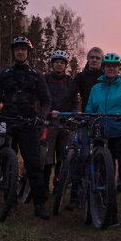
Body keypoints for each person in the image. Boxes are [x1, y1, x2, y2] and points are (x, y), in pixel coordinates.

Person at [0, 36, 52, 218]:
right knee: (1, 162)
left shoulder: (36, 74)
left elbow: (47, 99)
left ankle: (39, 205)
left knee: (33, 164)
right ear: (13, 51)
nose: (20, 51)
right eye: (17, 48)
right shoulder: (4, 73)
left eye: (24, 49)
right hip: (7, 120)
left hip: (28, 122)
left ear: (28, 52)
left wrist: (41, 117)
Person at [84, 52, 121, 226]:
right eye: (108, 66)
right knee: (105, 176)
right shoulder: (96, 88)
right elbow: (89, 109)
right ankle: (110, 214)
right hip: (101, 137)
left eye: (114, 67)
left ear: (119, 69)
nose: (111, 69)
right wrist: (89, 127)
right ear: (103, 68)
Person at [43, 50, 77, 197]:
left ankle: (59, 187)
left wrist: (74, 115)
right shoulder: (45, 79)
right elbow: (41, 98)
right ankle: (44, 188)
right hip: (49, 123)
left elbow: (75, 100)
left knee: (63, 158)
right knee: (47, 159)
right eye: (57, 62)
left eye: (62, 63)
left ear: (65, 65)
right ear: (52, 64)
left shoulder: (70, 81)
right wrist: (44, 113)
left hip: (65, 123)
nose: (59, 65)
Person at [72, 46, 104, 111]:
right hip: (86, 114)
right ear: (88, 58)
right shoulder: (80, 77)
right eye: (92, 57)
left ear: (102, 60)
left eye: (97, 58)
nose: (94, 60)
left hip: (104, 115)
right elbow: (70, 94)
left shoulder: (106, 77)